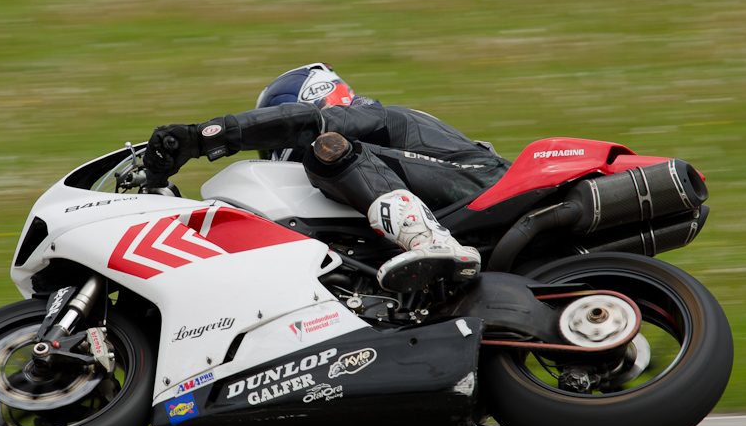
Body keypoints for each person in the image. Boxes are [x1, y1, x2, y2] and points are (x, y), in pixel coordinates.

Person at [144, 63, 511, 293]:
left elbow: (304, 125)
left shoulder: (370, 119)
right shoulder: (373, 165)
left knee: (326, 150)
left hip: (483, 187)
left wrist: (203, 136)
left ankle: (430, 241)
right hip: (470, 208)